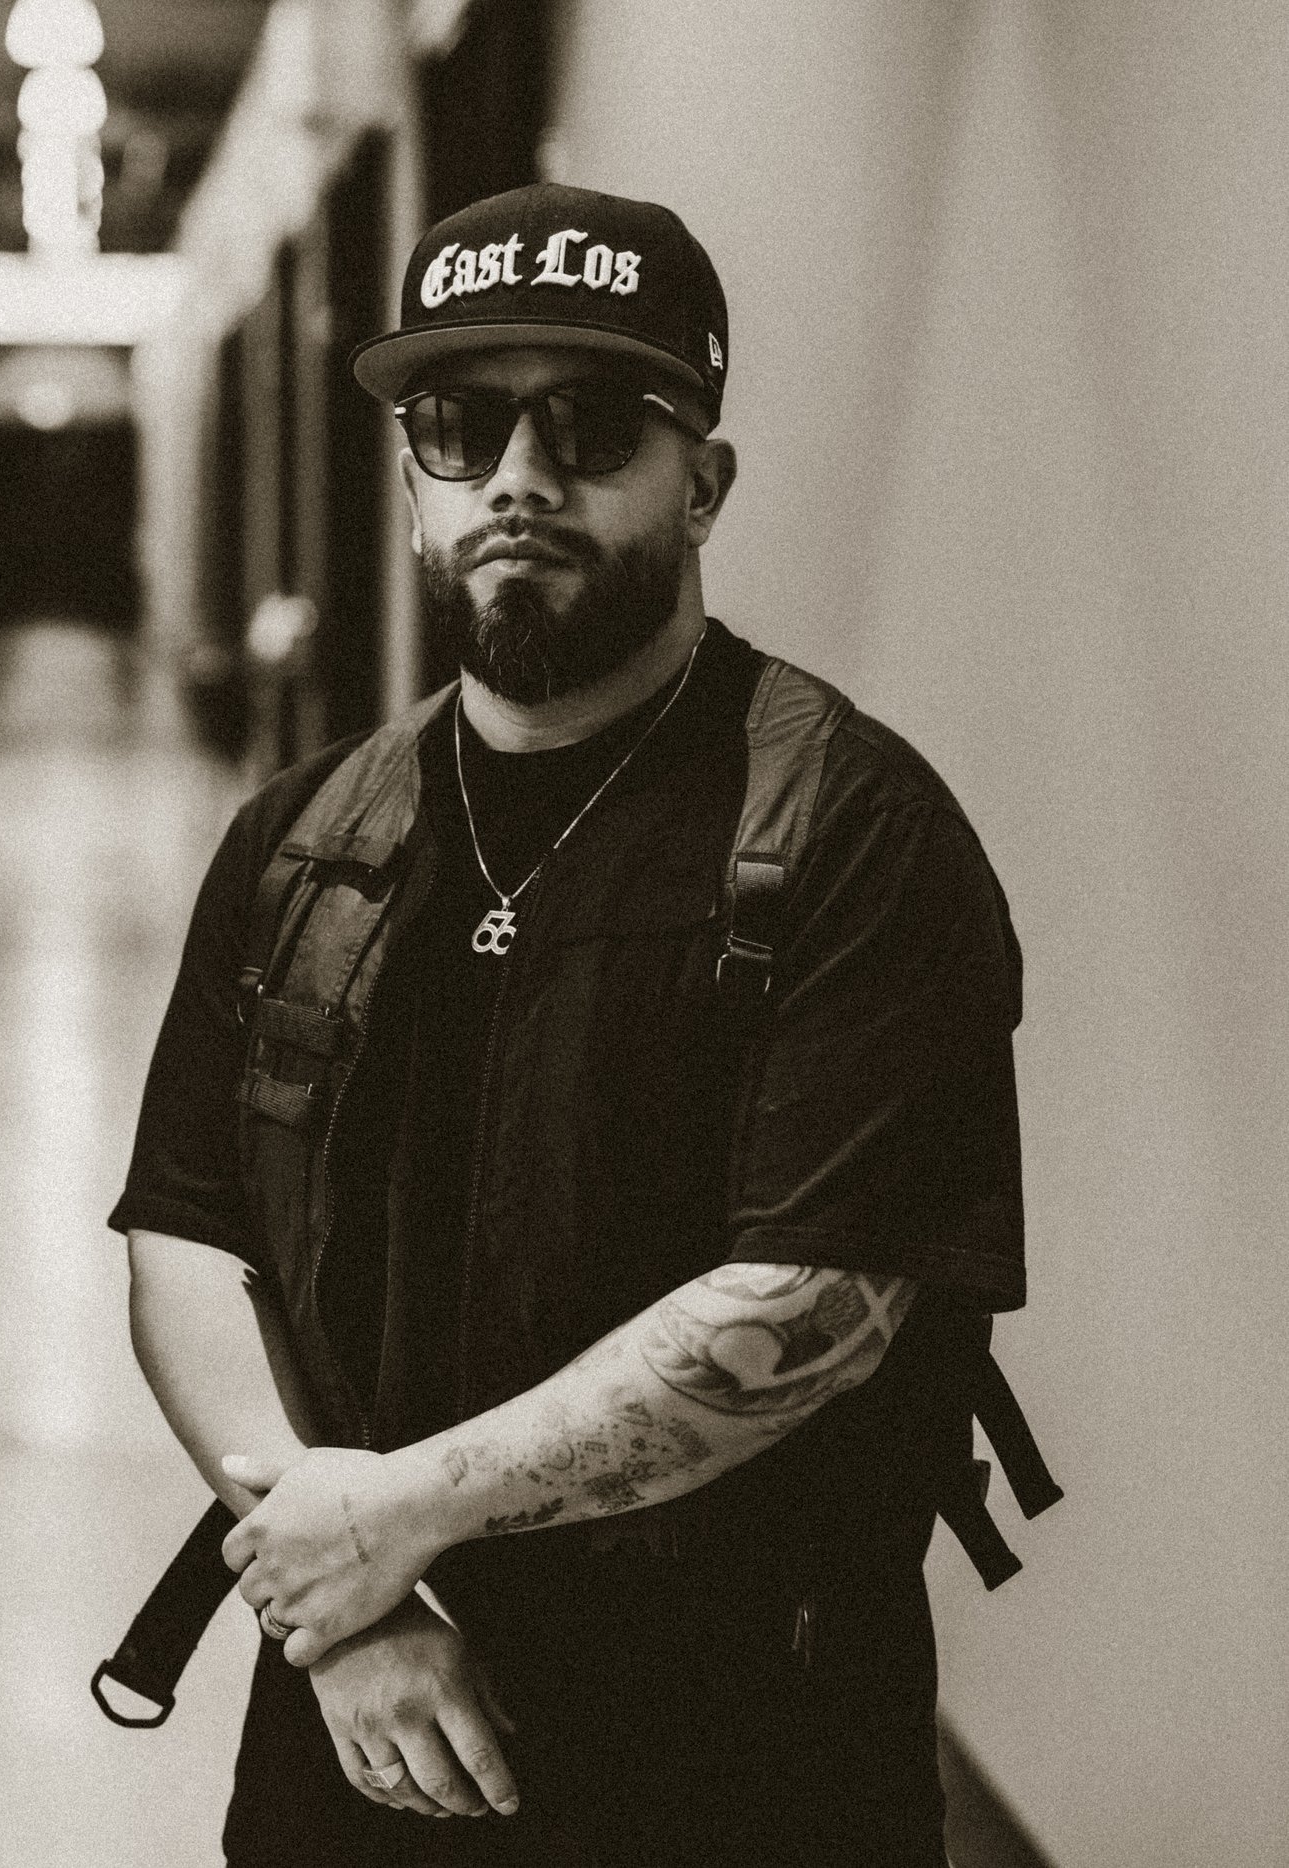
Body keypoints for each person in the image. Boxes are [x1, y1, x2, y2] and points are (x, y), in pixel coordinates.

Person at [114, 181, 1028, 1867]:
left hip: (743, 1759)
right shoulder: (308, 841)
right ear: (412, 484)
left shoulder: (850, 832)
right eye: (462, 427)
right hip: (360, 1738)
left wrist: (391, 1519)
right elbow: (186, 1236)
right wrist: (346, 1605)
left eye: (595, 423)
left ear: (706, 487)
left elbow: (819, 1297)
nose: (520, 478)